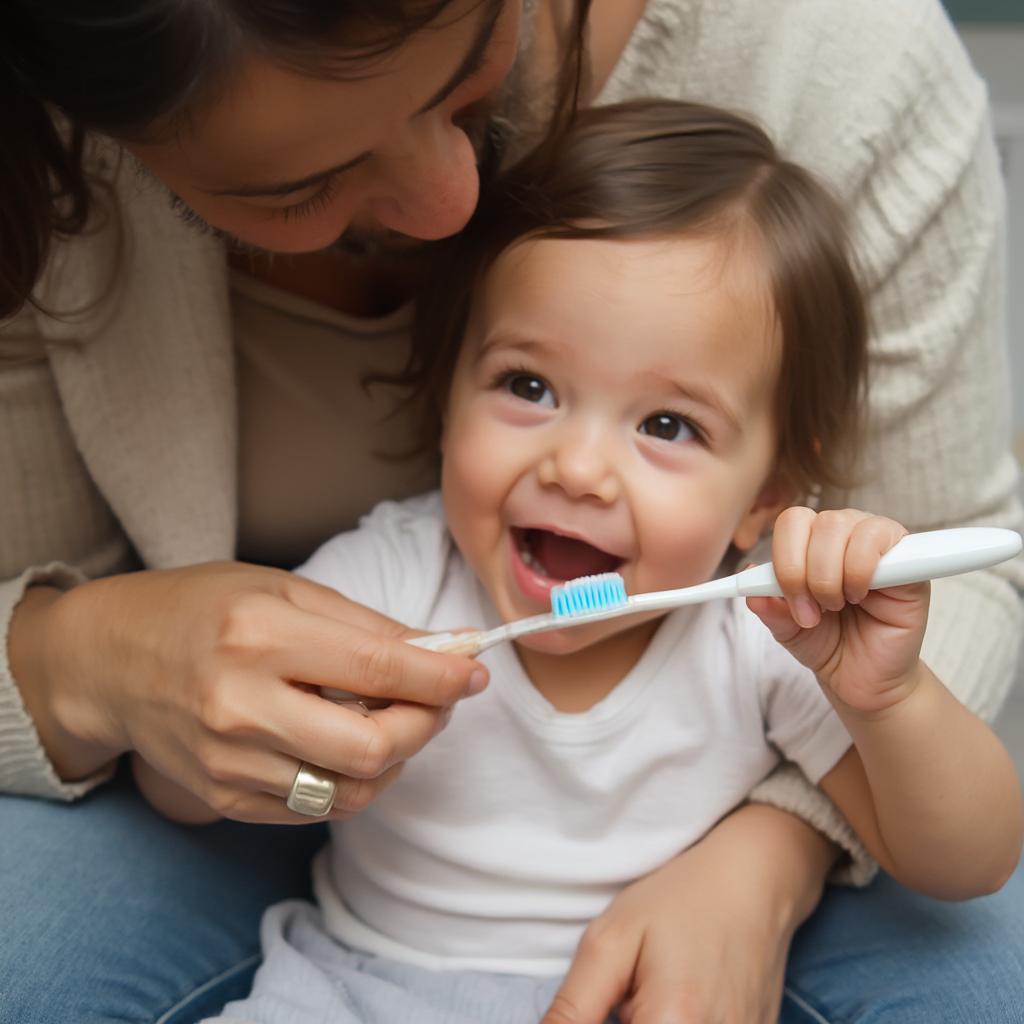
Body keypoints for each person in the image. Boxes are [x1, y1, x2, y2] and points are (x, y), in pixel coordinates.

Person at [0, 2, 1021, 1023]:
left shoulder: (766, 641)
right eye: (528, 388)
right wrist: (241, 739)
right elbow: (185, 775)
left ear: (763, 498)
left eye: (667, 423)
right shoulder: (391, 578)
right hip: (346, 992)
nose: (577, 467)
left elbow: (965, 860)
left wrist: (886, 702)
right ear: (443, 406)